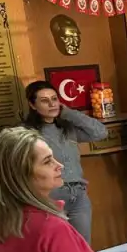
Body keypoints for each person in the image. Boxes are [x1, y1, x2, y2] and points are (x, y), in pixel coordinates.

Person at [21, 79, 107, 243]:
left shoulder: (67, 127)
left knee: (83, 247)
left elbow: (100, 132)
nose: (52, 104)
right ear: (32, 105)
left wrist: (68, 113)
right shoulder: (27, 133)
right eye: (44, 101)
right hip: (49, 198)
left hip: (78, 195)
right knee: (58, 247)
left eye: (54, 99)